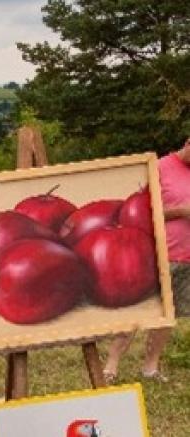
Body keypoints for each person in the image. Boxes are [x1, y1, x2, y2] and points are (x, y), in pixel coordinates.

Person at [103, 137, 190, 382]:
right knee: (138, 309)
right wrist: (181, 211)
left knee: (168, 315)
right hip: (159, 254)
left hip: (186, 258)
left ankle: (150, 367)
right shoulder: (160, 167)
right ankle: (111, 365)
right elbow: (140, 211)